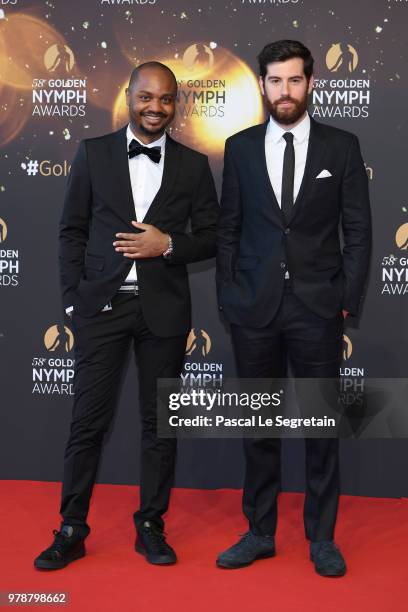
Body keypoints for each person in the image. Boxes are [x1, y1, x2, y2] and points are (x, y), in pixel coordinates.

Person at [34, 61, 219, 570]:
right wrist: (74, 300)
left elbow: (212, 235)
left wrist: (168, 244)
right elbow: (71, 229)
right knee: (87, 424)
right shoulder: (93, 153)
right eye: (146, 97)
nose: (155, 107)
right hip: (102, 308)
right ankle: (71, 527)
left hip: (163, 312)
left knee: (159, 426)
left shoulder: (193, 165)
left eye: (165, 99)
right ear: (130, 96)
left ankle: (151, 525)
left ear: (174, 104)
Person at [216, 40, 371, 576]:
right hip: (253, 309)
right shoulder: (238, 148)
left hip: (317, 308)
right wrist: (230, 296)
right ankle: (259, 531)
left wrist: (345, 302)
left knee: (319, 426)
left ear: (311, 83)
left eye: (295, 80)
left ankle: (321, 539)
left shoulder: (341, 147)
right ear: (263, 85)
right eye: (276, 81)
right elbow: (229, 229)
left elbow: (358, 231)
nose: (285, 91)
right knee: (258, 426)